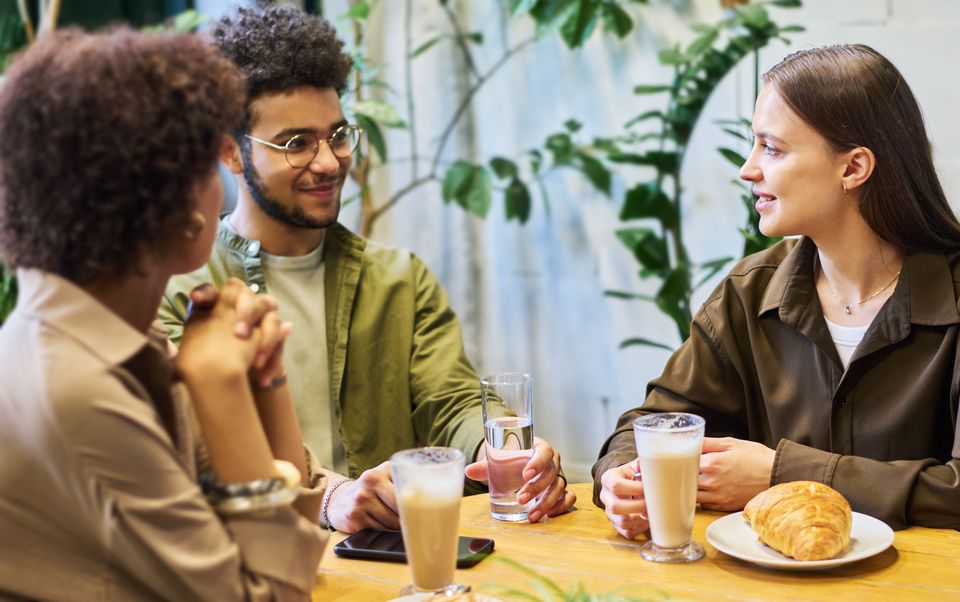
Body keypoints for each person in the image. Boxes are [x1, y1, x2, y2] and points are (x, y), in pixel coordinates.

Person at [593, 44, 960, 570]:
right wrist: (621, 477)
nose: (747, 169)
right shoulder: (749, 291)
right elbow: (650, 424)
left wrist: (783, 473)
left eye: (772, 149)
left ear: (853, 168)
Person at [158, 5, 575, 532]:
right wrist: (333, 498)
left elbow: (453, 403)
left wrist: (514, 450)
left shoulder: (399, 280)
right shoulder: (183, 290)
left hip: (388, 563)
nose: (330, 161)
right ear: (232, 154)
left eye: (337, 135)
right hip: (249, 560)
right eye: (296, 143)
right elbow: (190, 452)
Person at [0, 28, 327, 600]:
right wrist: (220, 385)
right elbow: (269, 593)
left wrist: (265, 377)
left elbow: (287, 544)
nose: (222, 189)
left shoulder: (112, 339)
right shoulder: (81, 389)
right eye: (208, 166)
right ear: (173, 206)